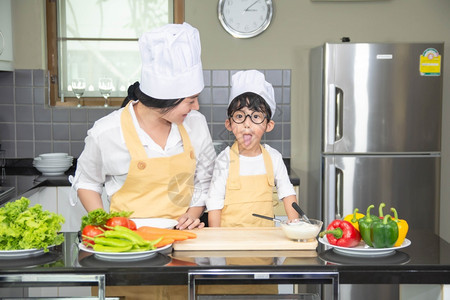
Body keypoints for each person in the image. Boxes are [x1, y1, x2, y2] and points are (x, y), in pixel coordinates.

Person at [71, 22, 216, 231]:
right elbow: (87, 182)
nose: (196, 106)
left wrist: (191, 217)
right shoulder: (106, 132)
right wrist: (103, 223)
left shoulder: (196, 123)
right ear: (166, 99)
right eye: (190, 100)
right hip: (127, 240)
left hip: (183, 238)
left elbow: (204, 180)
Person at [206, 70, 299, 227]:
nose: (247, 124)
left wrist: (295, 225)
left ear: (268, 125)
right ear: (229, 124)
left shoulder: (273, 157)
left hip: (265, 242)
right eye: (240, 116)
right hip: (230, 243)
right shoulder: (225, 159)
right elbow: (214, 203)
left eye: (256, 117)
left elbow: (287, 193)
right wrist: (216, 239)